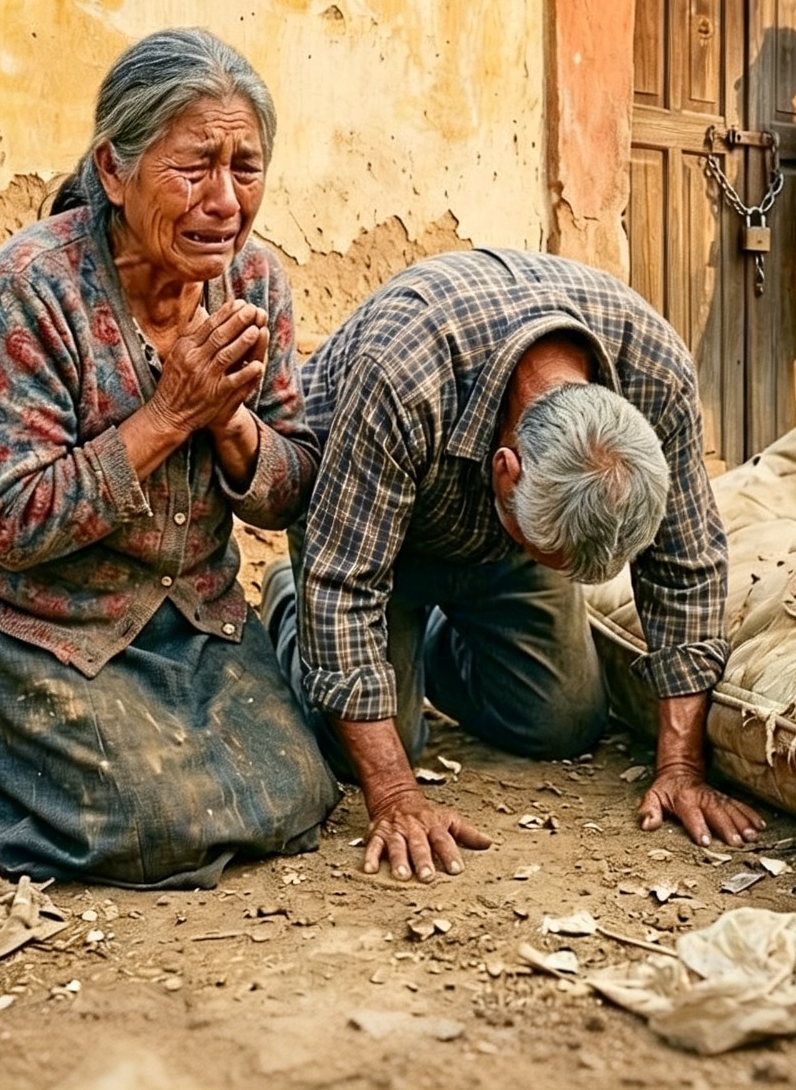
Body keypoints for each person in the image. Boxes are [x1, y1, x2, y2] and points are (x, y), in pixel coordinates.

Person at [0, 28, 340, 888]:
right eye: (194, 167)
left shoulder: (255, 284)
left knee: (300, 794)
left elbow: (290, 482)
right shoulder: (32, 287)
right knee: (147, 830)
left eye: (245, 166)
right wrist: (169, 412)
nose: (226, 199)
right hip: (36, 608)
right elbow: (13, 522)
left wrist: (230, 427)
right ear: (114, 170)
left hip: (187, 607)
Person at [263, 249, 764, 883]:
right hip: (368, 537)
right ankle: (285, 600)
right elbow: (344, 586)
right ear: (508, 471)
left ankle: (419, 654)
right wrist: (394, 796)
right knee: (363, 746)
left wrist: (681, 767)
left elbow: (687, 565)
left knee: (564, 721)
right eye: (547, 551)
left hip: (494, 538)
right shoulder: (405, 369)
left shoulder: (655, 372)